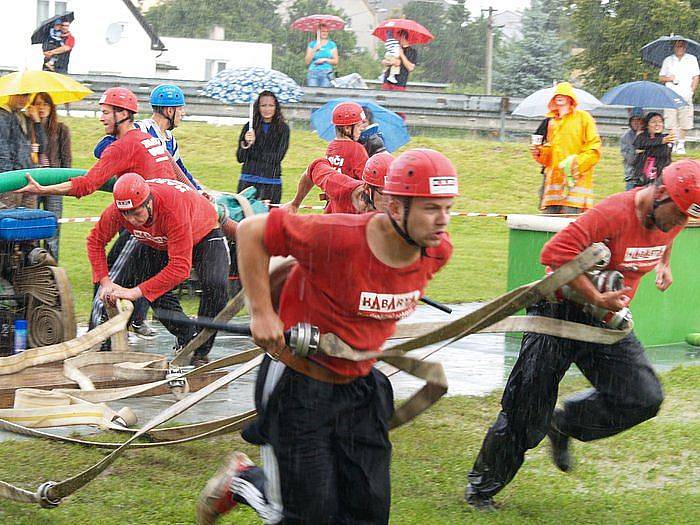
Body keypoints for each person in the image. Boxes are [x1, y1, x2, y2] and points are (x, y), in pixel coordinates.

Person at [196, 148, 457, 525]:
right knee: (305, 516)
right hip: (298, 384)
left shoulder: (436, 253)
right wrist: (262, 312)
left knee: (368, 513)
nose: (442, 221)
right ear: (397, 208)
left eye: (447, 208)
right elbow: (253, 233)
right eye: (432, 208)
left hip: (360, 389)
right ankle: (242, 480)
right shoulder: (340, 237)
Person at [465, 159, 700, 511]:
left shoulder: (671, 217)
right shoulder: (613, 212)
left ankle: (564, 424)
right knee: (525, 412)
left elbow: (666, 236)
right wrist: (595, 296)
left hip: (605, 321)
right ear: (661, 193)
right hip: (557, 312)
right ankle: (480, 492)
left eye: (687, 219)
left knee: (642, 396)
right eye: (679, 216)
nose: (680, 224)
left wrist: (663, 263)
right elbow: (553, 254)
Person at [87, 174, 229, 365]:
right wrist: (104, 281)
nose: (132, 220)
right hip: (161, 240)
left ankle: (200, 351)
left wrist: (134, 292)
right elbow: (95, 241)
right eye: (126, 215)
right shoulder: (118, 211)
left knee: (216, 286)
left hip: (203, 233)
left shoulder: (172, 210)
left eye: (137, 214)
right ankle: (186, 334)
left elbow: (179, 269)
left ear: (149, 203)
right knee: (151, 287)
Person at [94, 84, 200, 190]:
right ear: (170, 111)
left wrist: (198, 190)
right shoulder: (141, 128)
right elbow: (100, 149)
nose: (183, 113)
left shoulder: (170, 139)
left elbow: (180, 172)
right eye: (180, 109)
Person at [531, 81, 602, 214]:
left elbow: (594, 149)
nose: (560, 96)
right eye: (557, 94)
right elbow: (550, 154)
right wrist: (540, 152)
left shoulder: (583, 118)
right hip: (554, 184)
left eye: (563, 94)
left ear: (571, 98)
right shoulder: (552, 122)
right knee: (547, 227)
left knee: (570, 227)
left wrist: (575, 165)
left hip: (576, 184)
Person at [285, 102, 369, 211]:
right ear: (348, 128)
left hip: (332, 207)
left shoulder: (332, 146)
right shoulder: (358, 149)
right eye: (358, 126)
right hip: (350, 210)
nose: (361, 130)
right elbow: (368, 184)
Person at [30, 92, 72, 259]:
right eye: (38, 103)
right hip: (32, 183)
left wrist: (65, 186)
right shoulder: (29, 127)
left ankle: (52, 268)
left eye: (45, 104)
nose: (41, 108)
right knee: (32, 228)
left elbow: (66, 159)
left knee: (52, 229)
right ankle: (33, 268)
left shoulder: (61, 129)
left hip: (53, 184)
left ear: (52, 107)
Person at [289, 151, 393, 215]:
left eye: (394, 193)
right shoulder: (339, 186)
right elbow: (315, 167)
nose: (391, 200)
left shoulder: (397, 212)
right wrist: (295, 204)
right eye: (385, 193)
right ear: (367, 189)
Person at [236, 91, 290, 204]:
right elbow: (240, 157)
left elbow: (277, 158)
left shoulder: (283, 129)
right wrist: (247, 143)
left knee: (269, 220)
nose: (267, 109)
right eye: (263, 105)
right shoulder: (249, 126)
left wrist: (255, 147)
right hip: (248, 181)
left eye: (271, 105)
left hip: (271, 183)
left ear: (276, 107)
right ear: (258, 107)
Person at [0, 93, 46, 210]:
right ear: (11, 94)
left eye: (26, 96)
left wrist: (37, 122)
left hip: (27, 175)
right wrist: (6, 179)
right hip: (12, 177)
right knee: (9, 219)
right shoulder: (3, 116)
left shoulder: (24, 117)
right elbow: (3, 149)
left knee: (28, 219)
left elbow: (43, 146)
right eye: (19, 95)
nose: (23, 99)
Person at [659, 39, 699, 155]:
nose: (679, 48)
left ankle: (681, 144)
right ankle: (673, 142)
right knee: (670, 119)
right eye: (677, 46)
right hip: (670, 94)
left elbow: (696, 76)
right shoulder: (668, 60)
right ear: (673, 47)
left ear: (685, 47)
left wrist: (691, 91)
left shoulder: (691, 59)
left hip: (685, 93)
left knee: (685, 119)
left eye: (681, 46)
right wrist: (670, 78)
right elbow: (661, 77)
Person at [632, 112, 675, 188]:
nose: (657, 124)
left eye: (660, 122)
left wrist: (644, 151)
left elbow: (662, 152)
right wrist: (661, 141)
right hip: (642, 175)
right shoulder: (642, 136)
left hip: (660, 174)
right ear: (647, 125)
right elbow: (638, 144)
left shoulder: (667, 137)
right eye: (653, 122)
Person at [620, 107, 645, 190]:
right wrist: (636, 142)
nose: (636, 123)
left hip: (646, 176)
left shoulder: (648, 135)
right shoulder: (625, 138)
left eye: (638, 120)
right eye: (633, 120)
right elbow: (630, 160)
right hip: (632, 177)